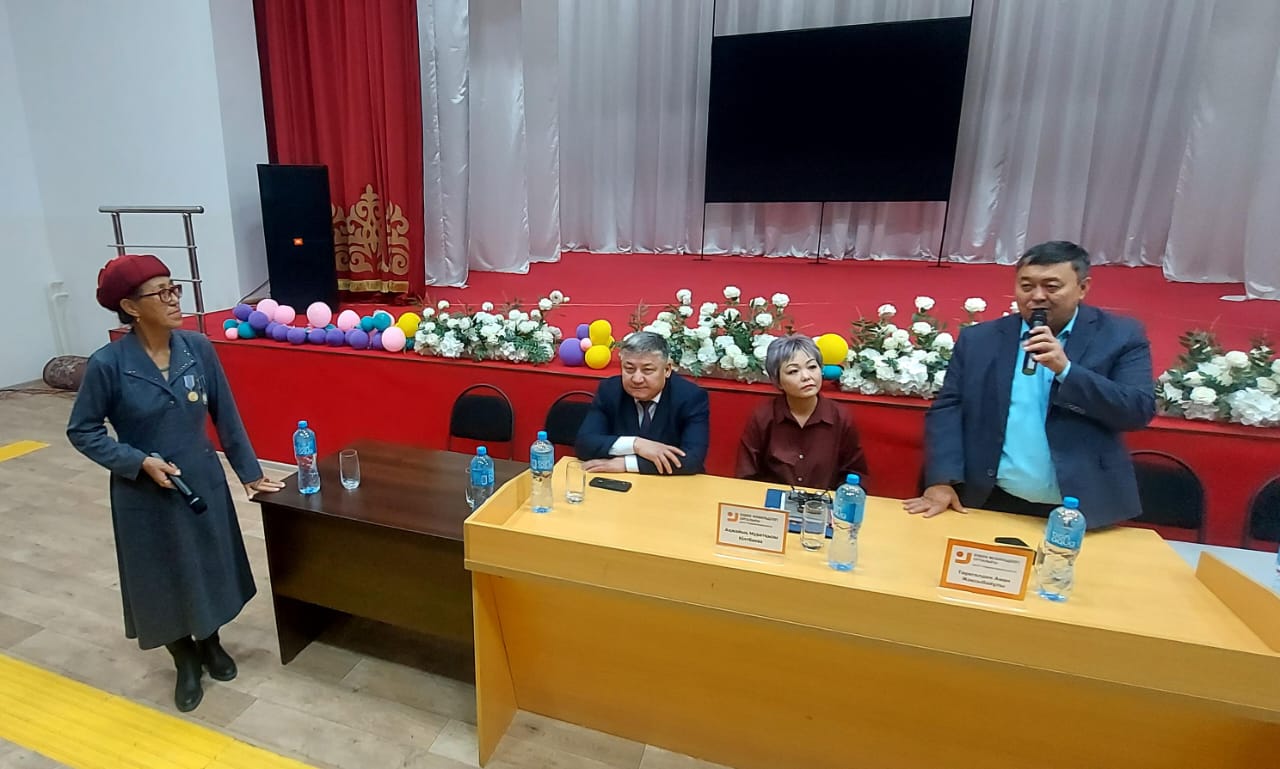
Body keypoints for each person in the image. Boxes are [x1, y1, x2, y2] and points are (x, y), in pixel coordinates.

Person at [66, 254, 284, 713]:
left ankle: (211, 641)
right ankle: (183, 657)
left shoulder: (197, 348)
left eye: (174, 288)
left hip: (201, 478)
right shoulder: (108, 364)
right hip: (144, 491)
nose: (173, 299)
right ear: (130, 307)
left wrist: (250, 474)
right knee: (161, 574)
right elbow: (82, 430)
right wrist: (136, 461)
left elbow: (225, 413)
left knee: (207, 562)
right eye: (160, 292)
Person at [903, 240, 1155, 529]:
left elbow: (1137, 410)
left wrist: (1067, 371)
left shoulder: (1120, 336)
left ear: (1083, 288)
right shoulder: (980, 340)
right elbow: (948, 409)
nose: (1037, 296)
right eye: (1026, 286)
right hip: (991, 500)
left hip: (1077, 508)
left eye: (1051, 287)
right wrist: (942, 480)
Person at [736, 334, 869, 490]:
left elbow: (855, 473)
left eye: (812, 367)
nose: (806, 377)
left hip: (823, 502)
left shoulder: (840, 417)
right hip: (773, 502)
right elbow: (746, 474)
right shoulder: (763, 417)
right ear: (777, 381)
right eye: (793, 371)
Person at [576, 331, 710, 474]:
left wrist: (627, 464)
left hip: (672, 482)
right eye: (629, 369)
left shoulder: (690, 397)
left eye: (647, 370)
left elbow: (693, 459)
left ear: (667, 370)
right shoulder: (610, 390)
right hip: (620, 482)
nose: (637, 379)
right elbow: (584, 443)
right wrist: (636, 444)